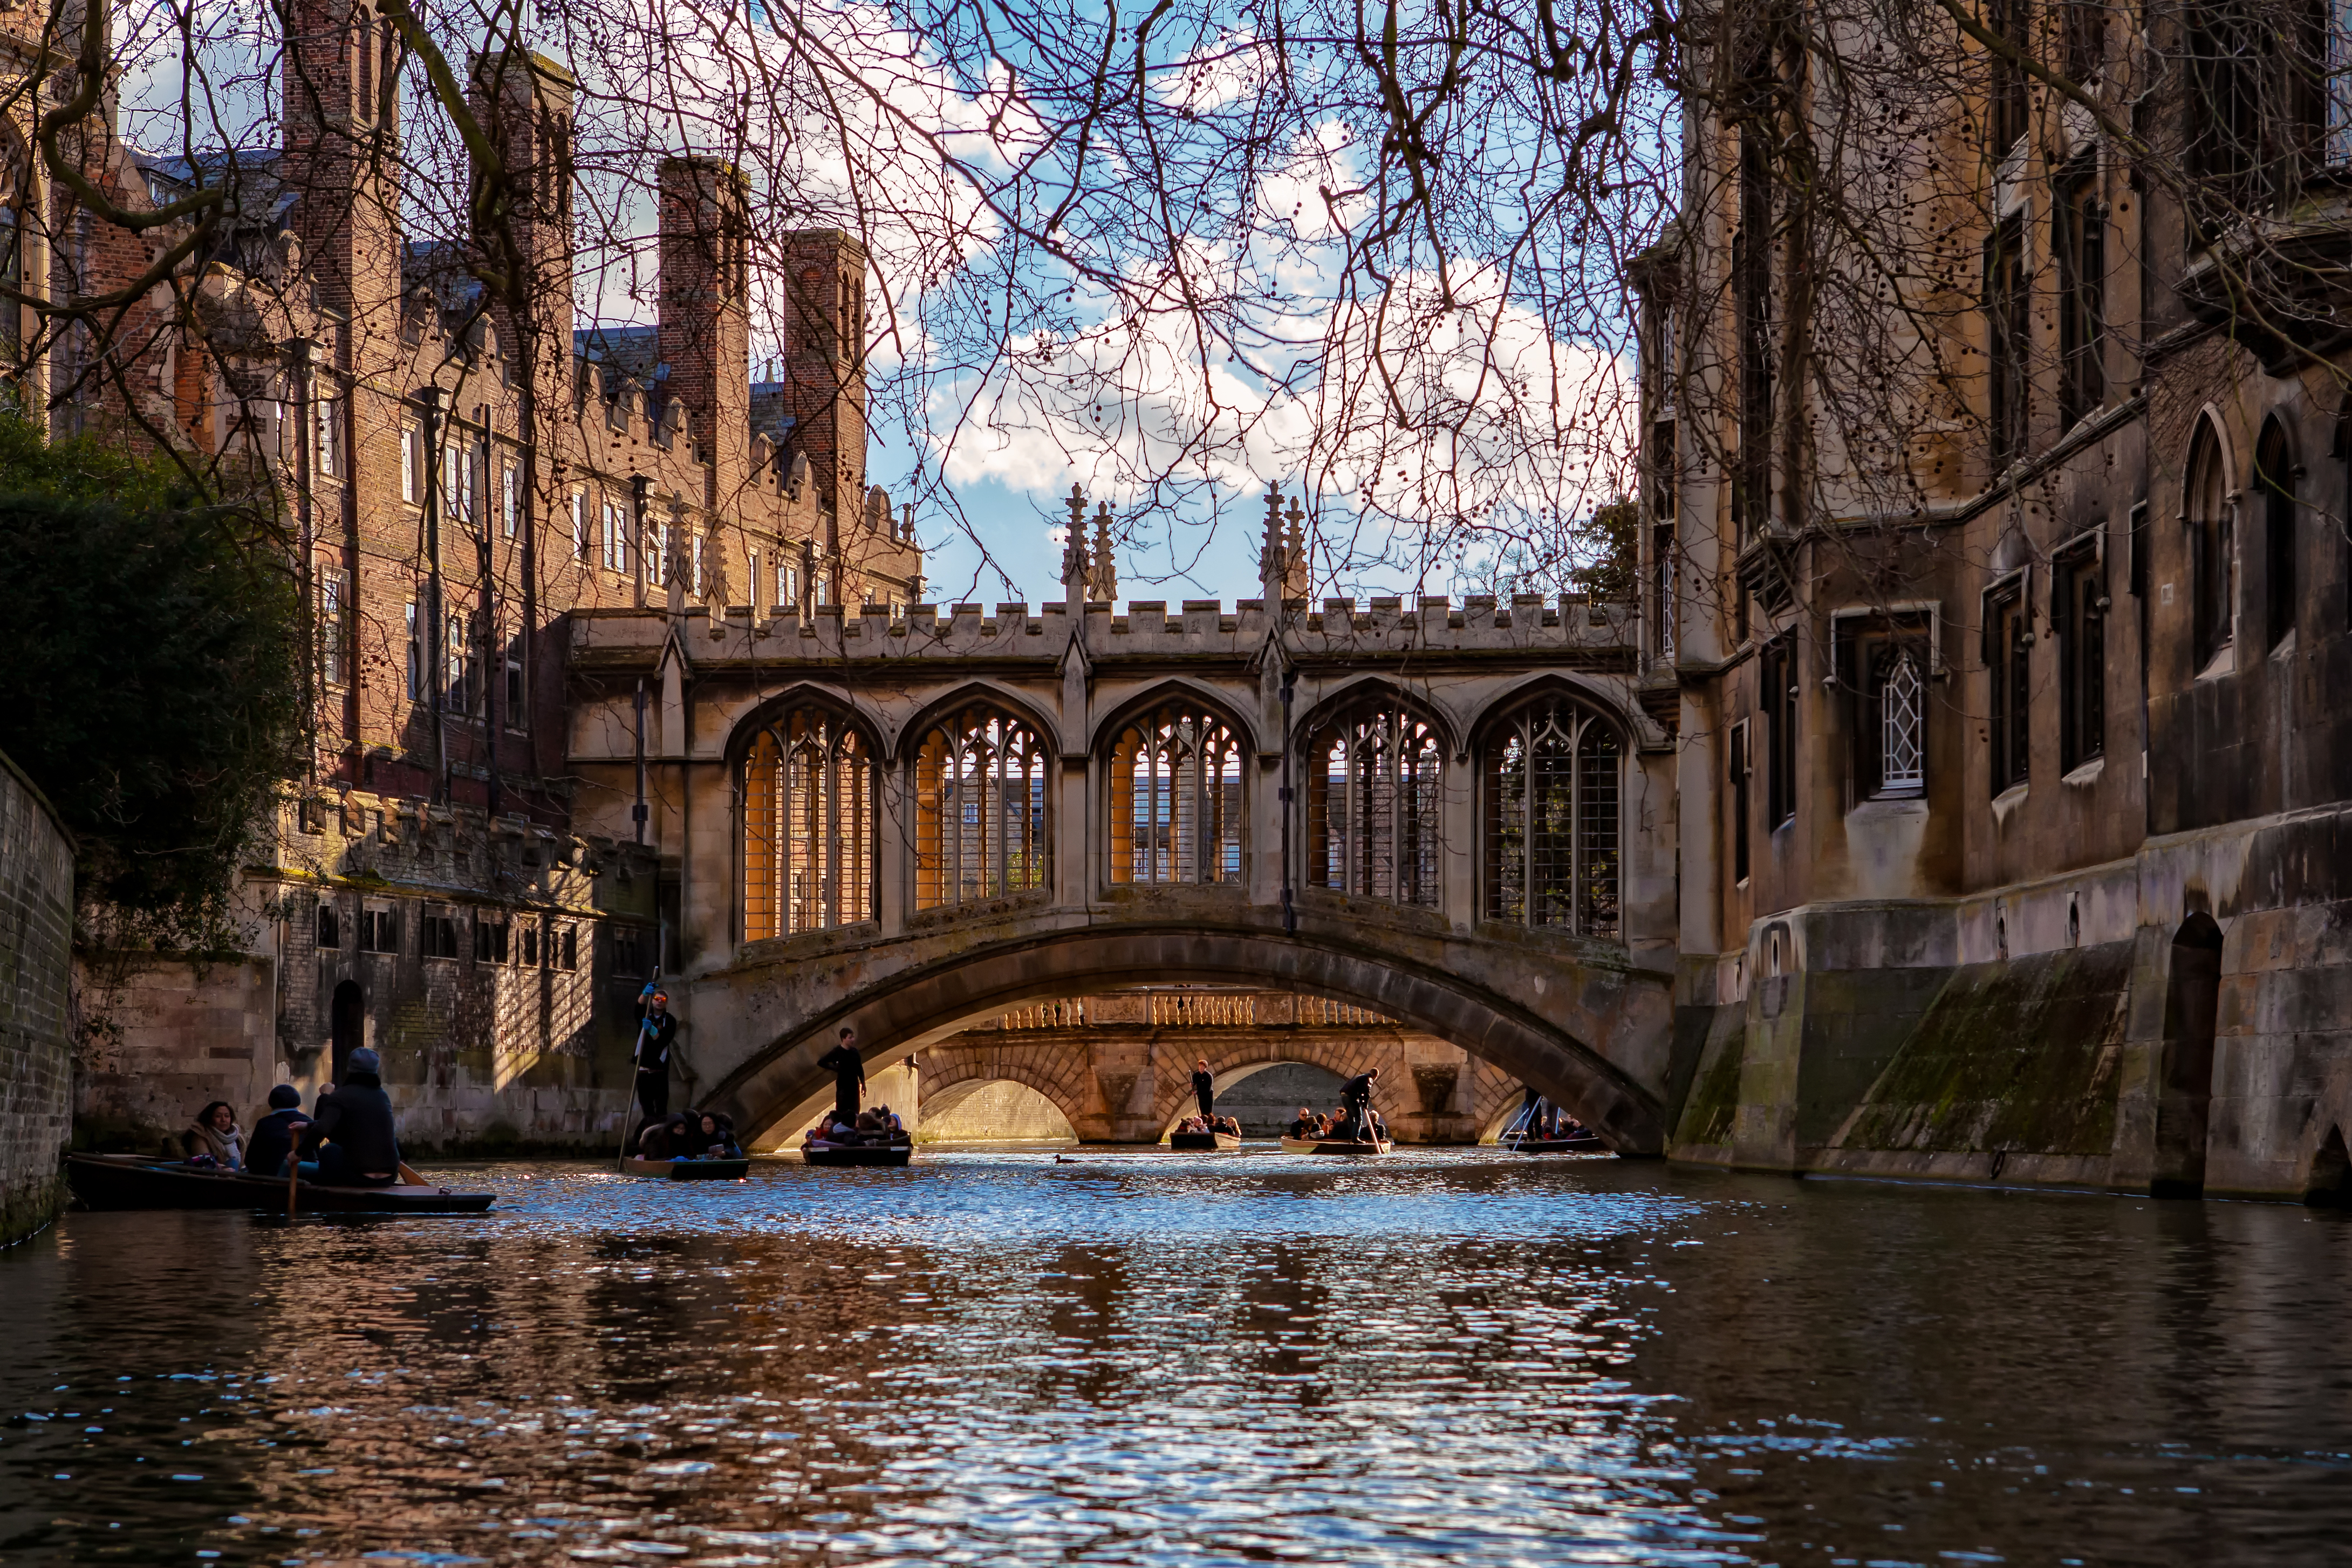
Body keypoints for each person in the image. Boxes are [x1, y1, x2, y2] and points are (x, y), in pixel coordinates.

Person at [299, 1046, 402, 1187]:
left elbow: (323, 1129)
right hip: (389, 1177)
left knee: (329, 1150)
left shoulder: (341, 1096)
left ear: (350, 1069)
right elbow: (359, 1126)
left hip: (357, 1177)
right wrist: (308, 1125)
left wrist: (297, 1153)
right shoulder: (383, 1097)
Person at [632, 985, 679, 1145]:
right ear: (653, 1001)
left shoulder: (670, 1020)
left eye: (663, 1000)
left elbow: (663, 1041)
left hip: (659, 1070)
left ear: (666, 1003)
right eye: (657, 999)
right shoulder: (646, 1015)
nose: (659, 1002)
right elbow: (638, 1007)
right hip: (643, 1069)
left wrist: (652, 1030)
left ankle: (663, 1140)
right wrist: (644, 994)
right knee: (647, 1109)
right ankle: (648, 1141)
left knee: (661, 1109)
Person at [244, 1085, 311, 1178]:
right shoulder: (309, 1122)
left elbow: (251, 1160)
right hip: (305, 1176)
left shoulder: (264, 1123)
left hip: (271, 1178)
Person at [817, 1026, 865, 1121]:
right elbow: (821, 1062)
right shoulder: (837, 1051)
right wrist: (835, 1068)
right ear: (844, 1039)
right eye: (850, 1038)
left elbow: (860, 1068)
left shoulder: (855, 1052)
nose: (853, 1040)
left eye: (853, 1037)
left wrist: (863, 1083)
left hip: (854, 1084)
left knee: (855, 1107)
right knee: (842, 1107)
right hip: (843, 1084)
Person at [183, 1101, 244, 1169]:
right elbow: (204, 1162)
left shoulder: (238, 1138)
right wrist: (223, 1169)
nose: (223, 1120)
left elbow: (244, 1163)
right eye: (218, 1116)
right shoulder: (201, 1136)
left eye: (227, 1116)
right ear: (210, 1118)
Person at [1341, 1067, 1379, 1141]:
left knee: (1350, 1117)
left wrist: (1362, 1102)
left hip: (1344, 1095)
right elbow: (1366, 1091)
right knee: (1359, 1118)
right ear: (1375, 1076)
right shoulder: (1369, 1078)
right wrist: (1365, 1104)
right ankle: (1355, 1138)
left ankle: (1352, 1137)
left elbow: (1360, 1090)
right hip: (1351, 1096)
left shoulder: (1361, 1077)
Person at [1191, 1057, 1215, 1124]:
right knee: (1202, 1111)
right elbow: (1194, 1084)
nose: (1201, 1068)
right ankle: (1203, 1123)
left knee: (1208, 1113)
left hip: (1208, 1097)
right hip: (1201, 1097)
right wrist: (1192, 1085)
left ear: (1205, 1068)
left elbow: (1208, 1089)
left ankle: (1209, 1124)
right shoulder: (1196, 1075)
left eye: (1202, 1066)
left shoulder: (1208, 1076)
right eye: (1200, 1066)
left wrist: (1197, 1092)